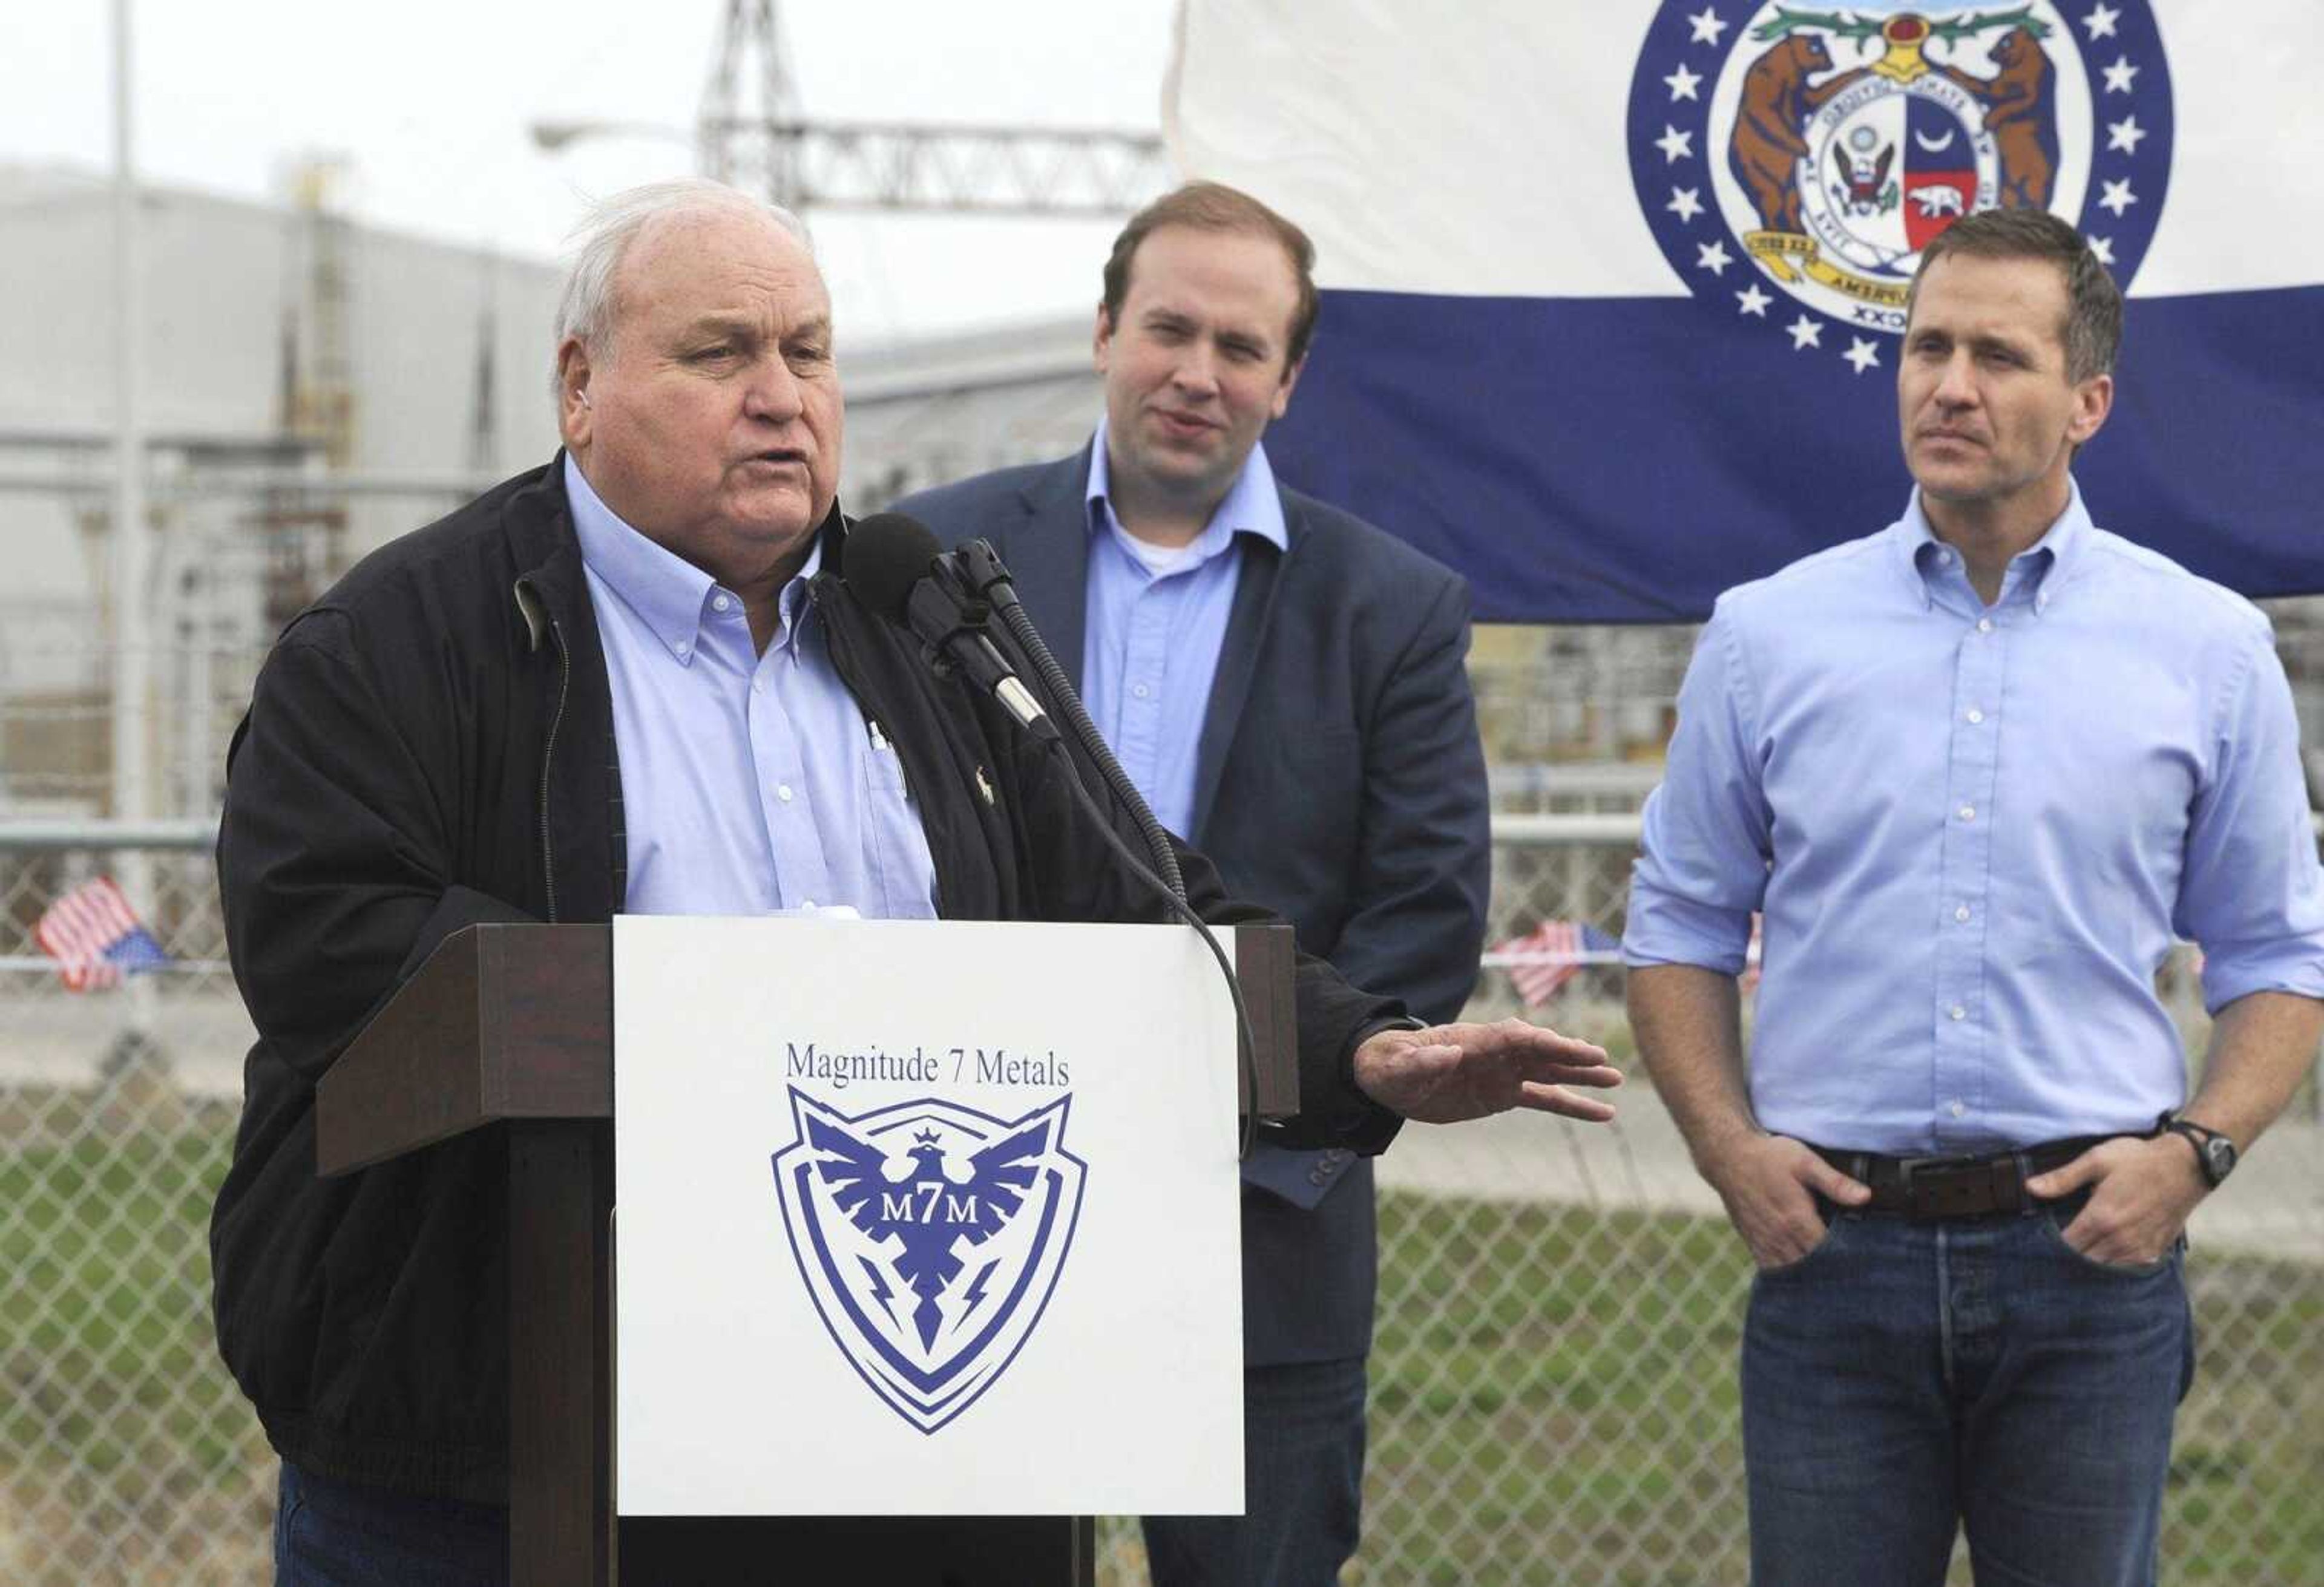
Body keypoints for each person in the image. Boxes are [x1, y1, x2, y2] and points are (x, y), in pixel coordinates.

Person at [208, 178, 1619, 1584]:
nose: (782, 398)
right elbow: (333, 941)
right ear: (580, 386)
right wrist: (717, 1035)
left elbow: (1145, 902)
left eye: (809, 353)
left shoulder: (929, 620)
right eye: (720, 354)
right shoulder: (397, 643)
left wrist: (1358, 1048)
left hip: (914, 1443)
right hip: (500, 1452)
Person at [1624, 206, 2324, 1587]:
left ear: (2089, 402)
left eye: (2000, 355)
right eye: (1926, 345)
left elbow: (2281, 954)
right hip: (1832, 1264)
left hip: (2092, 1270)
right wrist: (1727, 1150)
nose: (1950, 385)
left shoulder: (2209, 650)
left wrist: (2194, 1157)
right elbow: (1679, 927)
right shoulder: (1768, 636)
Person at [897, 180, 1488, 1587]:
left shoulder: (1391, 609)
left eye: (1241, 346)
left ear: (1287, 381)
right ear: (1105, 329)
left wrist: (1280, 1123)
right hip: (966, 1213)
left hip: (1261, 1232)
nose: (1196, 373)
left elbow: (1422, 920)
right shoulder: (930, 564)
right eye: (1169, 327)